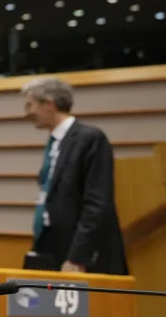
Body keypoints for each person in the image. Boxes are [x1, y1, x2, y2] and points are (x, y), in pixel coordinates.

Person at [22, 77, 128, 275]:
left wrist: (77, 257)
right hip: (53, 248)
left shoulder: (90, 138)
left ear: (49, 104)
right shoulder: (55, 142)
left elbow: (97, 203)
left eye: (30, 105)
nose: (27, 113)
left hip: (79, 256)